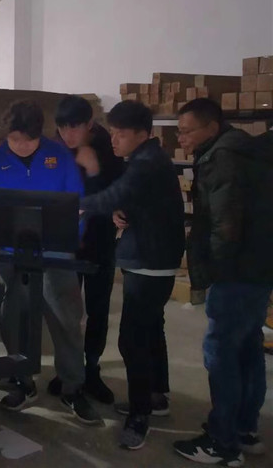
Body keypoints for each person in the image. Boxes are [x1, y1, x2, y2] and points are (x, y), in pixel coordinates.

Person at [0, 100, 102, 425]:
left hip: (55, 253)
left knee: (66, 319)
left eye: (28, 140)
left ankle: (72, 386)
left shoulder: (59, 157)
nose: (20, 146)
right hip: (8, 253)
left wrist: (70, 237)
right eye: (14, 139)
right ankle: (23, 381)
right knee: (13, 318)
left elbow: (77, 204)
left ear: (39, 135)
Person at [172, 99, 273, 467]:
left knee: (221, 352)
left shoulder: (222, 158)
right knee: (247, 347)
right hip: (259, 268)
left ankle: (222, 442)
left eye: (186, 131)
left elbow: (224, 225)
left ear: (211, 128)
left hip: (236, 273)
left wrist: (216, 273)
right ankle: (244, 429)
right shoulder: (245, 149)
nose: (181, 138)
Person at [79, 100, 185, 451]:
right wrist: (122, 212)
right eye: (112, 133)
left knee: (132, 339)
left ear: (143, 134)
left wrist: (77, 205)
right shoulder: (146, 159)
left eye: (121, 134)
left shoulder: (146, 163)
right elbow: (135, 200)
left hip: (149, 261)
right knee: (152, 329)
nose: (114, 140)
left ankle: (140, 416)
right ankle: (157, 395)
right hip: (153, 256)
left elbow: (116, 194)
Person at [51, 95, 124, 404]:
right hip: (64, 242)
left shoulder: (109, 149)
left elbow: (116, 195)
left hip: (99, 241)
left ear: (89, 124)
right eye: (62, 128)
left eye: (75, 127)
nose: (68, 135)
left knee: (97, 309)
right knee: (65, 311)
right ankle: (68, 370)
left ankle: (91, 370)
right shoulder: (54, 150)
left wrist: (93, 171)